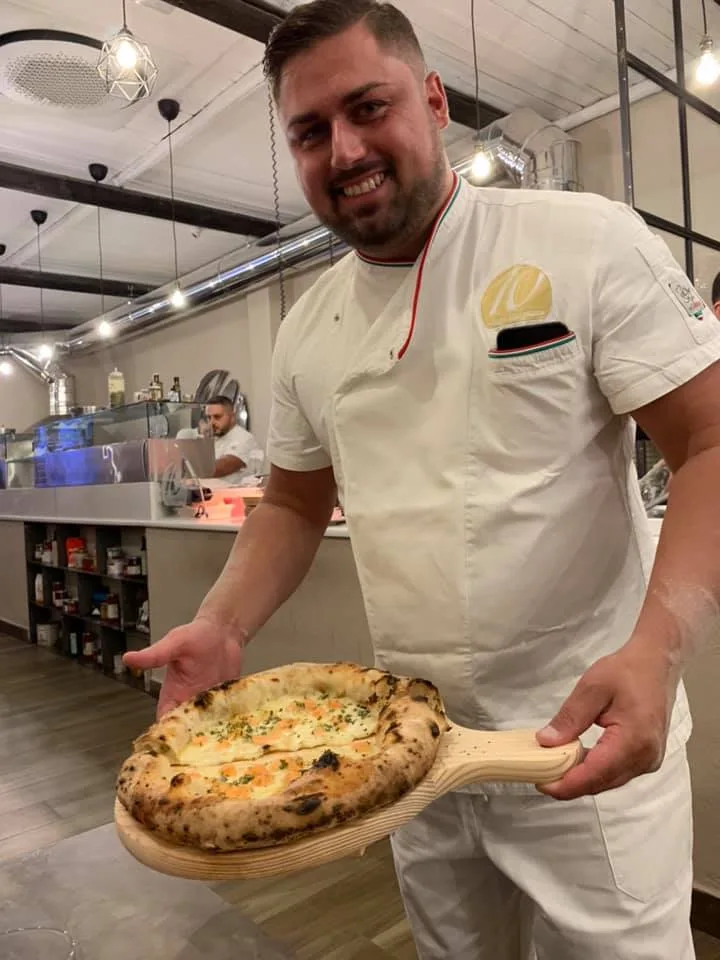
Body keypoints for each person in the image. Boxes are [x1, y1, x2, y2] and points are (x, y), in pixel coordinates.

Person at [124, 2, 720, 956]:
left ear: (435, 101)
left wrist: (656, 653)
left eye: (369, 107)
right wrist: (223, 623)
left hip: (585, 736)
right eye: (310, 132)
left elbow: (710, 441)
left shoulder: (584, 240)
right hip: (408, 752)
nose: (345, 149)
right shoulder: (307, 328)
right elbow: (294, 502)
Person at [203, 395, 264, 488]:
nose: (211, 422)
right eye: (208, 418)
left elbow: (221, 467)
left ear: (232, 416)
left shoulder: (244, 438)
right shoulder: (214, 438)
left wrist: (191, 468)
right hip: (211, 494)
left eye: (217, 417)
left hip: (237, 495)